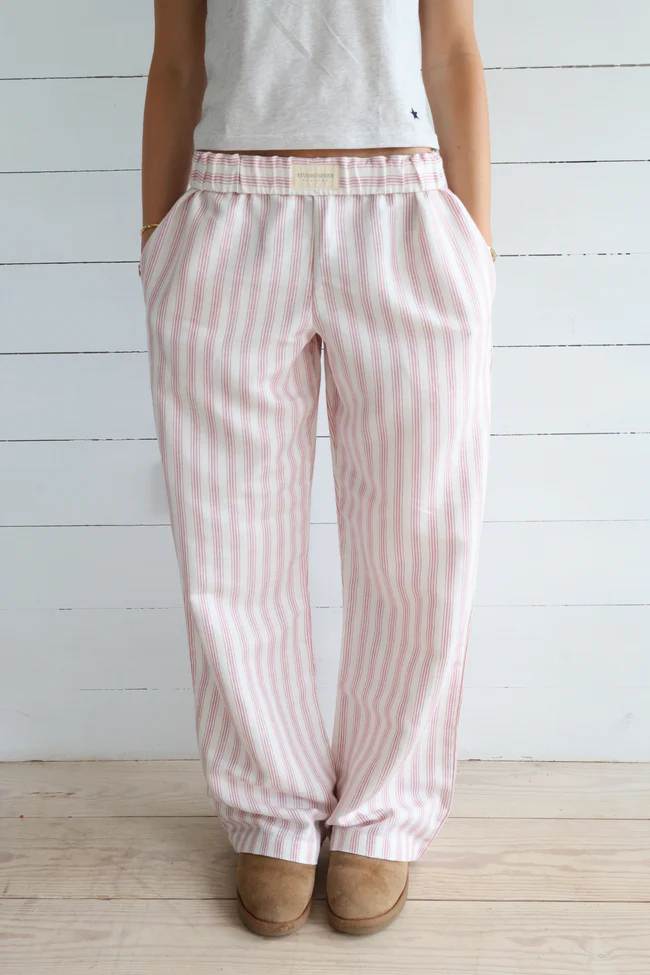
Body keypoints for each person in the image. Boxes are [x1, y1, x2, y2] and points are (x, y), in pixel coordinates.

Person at [140, 0, 495, 938]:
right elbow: (176, 61)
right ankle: (271, 806)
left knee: (418, 538)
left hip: (403, 210)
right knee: (229, 539)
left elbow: (451, 50)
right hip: (229, 213)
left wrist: (476, 244)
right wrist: (158, 240)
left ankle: (386, 809)